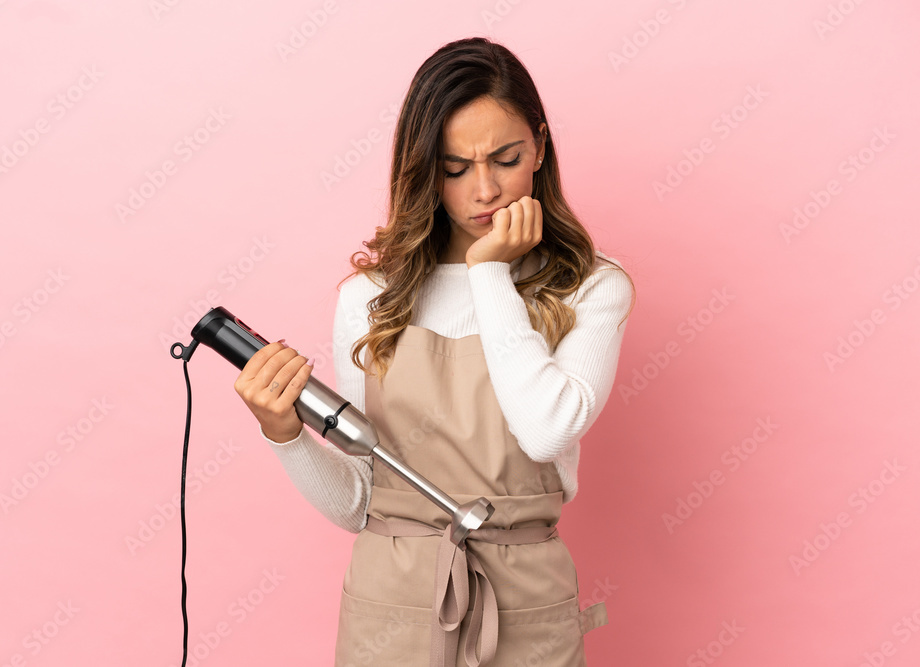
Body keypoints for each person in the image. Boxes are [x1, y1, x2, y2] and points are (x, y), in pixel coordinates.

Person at [234, 36, 636, 667]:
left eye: (506, 159)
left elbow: (544, 430)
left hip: (524, 604)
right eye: (454, 168)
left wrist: (489, 273)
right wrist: (282, 432)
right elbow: (362, 501)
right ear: (425, 170)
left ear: (540, 143)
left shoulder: (591, 286)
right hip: (392, 605)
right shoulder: (372, 296)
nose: (484, 192)